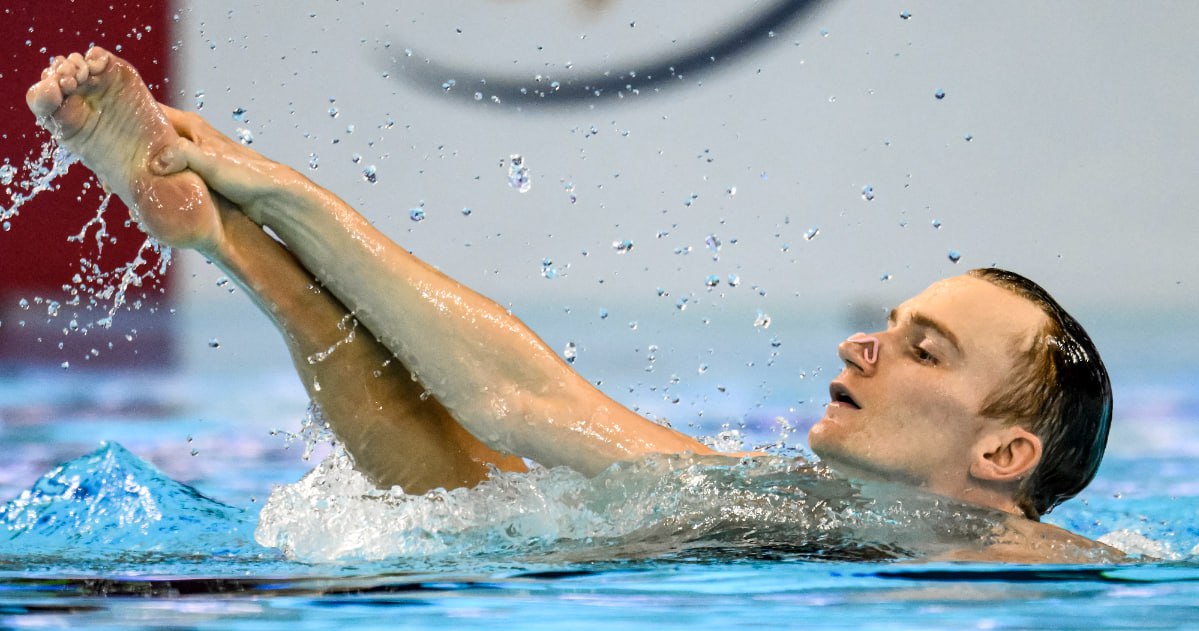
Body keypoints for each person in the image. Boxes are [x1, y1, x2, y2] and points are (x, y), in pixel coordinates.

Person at [26, 47, 1119, 562]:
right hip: (701, 558)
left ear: (1001, 453)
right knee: (470, 479)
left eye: (922, 349)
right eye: (890, 322)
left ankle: (230, 224)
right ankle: (231, 221)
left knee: (467, 484)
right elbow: (519, 393)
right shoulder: (796, 500)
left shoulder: (1030, 567)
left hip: (684, 580)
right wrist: (261, 179)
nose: (863, 342)